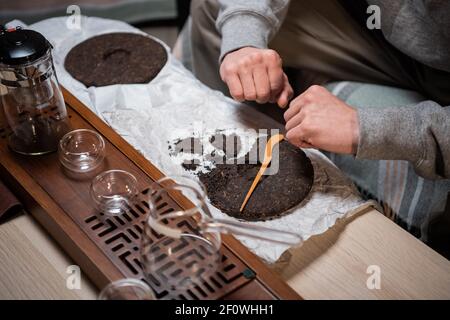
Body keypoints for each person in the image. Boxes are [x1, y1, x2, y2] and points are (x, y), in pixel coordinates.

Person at [188, 0, 450, 255]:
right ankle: (239, 149)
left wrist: (364, 128)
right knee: (211, 7)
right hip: (386, 36)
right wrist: (244, 36)